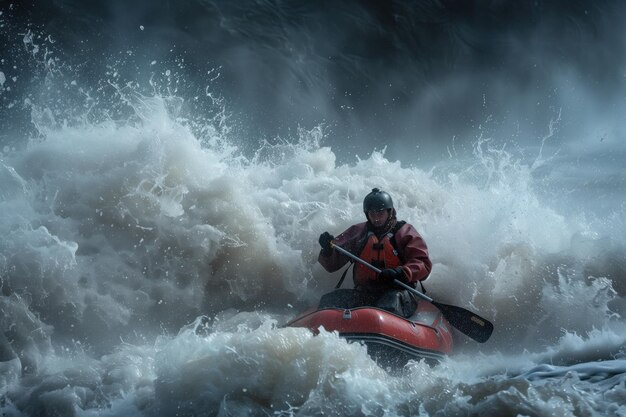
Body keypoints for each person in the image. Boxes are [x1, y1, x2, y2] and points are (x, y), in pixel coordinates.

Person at [317, 188, 432, 318]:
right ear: (367, 214)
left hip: (398, 293)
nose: (376, 218)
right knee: (329, 301)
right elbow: (332, 265)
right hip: (366, 293)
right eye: (372, 213)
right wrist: (327, 250)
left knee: (388, 305)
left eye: (380, 213)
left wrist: (402, 273)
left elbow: (424, 264)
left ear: (389, 212)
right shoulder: (358, 232)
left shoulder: (405, 232)